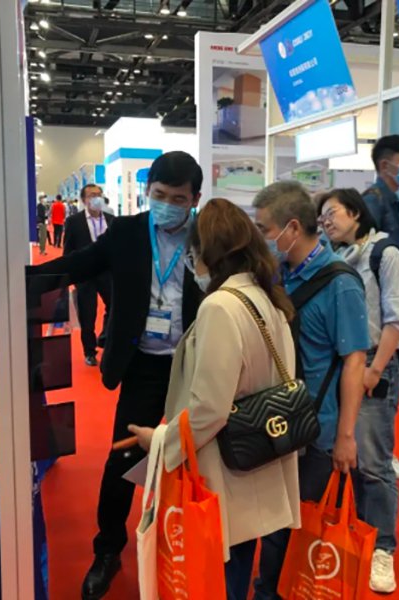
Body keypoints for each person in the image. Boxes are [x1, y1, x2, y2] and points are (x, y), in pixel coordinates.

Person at [32, 151, 203, 600]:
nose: (168, 205)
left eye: (179, 198)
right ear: (148, 191)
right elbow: (79, 264)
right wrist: (19, 282)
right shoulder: (126, 232)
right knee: (123, 458)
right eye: (160, 195)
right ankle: (108, 549)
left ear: (195, 199)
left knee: (196, 459)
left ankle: (192, 542)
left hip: (196, 367)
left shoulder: (209, 236)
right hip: (143, 363)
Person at [128, 198, 301, 600]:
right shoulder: (266, 298)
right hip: (256, 458)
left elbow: (209, 408)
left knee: (218, 579)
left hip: (224, 469)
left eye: (194, 254)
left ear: (208, 253)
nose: (193, 264)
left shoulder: (220, 307)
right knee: (236, 569)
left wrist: (160, 442)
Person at [251, 181, 369, 599]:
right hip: (276, 420)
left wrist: (346, 437)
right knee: (272, 525)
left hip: (317, 430)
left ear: (292, 228)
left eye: (265, 229)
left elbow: (355, 360)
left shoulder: (341, 283)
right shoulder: (278, 273)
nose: (261, 238)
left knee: (299, 530)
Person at [318, 188, 399, 594]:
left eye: (332, 213)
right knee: (344, 457)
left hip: (373, 362)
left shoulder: (384, 254)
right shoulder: (335, 256)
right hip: (340, 364)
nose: (326, 222)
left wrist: (374, 370)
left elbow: (397, 319)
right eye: (321, 217)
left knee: (373, 463)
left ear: (356, 213)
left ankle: (383, 548)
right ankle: (355, 533)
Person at [362, 135, 399, 482]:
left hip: (388, 309)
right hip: (378, 316)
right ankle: (381, 454)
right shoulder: (375, 201)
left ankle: (381, 450)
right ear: (386, 164)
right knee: (381, 387)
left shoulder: (389, 200)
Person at [63, 184, 114, 366]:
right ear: (84, 200)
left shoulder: (111, 220)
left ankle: (105, 337)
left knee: (114, 307)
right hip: (85, 275)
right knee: (87, 314)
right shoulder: (74, 221)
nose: (97, 198)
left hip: (107, 273)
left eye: (99, 194)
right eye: (92, 195)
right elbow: (68, 250)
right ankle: (89, 351)